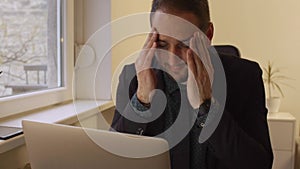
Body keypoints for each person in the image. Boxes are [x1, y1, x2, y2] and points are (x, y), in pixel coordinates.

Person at [111, 0, 273, 169]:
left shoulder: (245, 77)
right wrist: (142, 99)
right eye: (162, 44)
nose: (172, 60)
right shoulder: (133, 77)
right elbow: (113, 158)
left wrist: (206, 107)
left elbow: (260, 164)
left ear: (208, 35)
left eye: (184, 44)